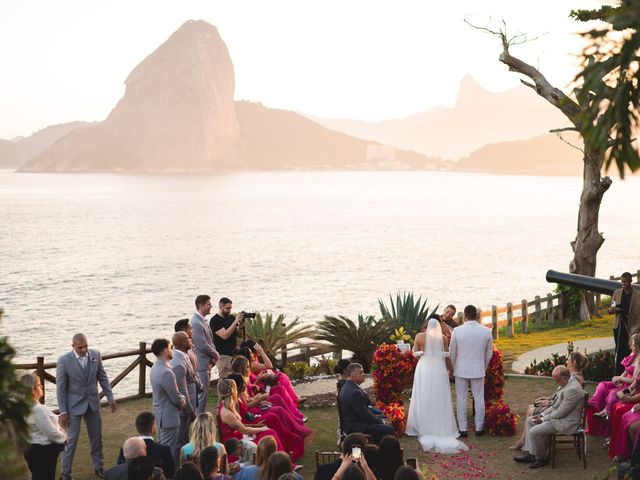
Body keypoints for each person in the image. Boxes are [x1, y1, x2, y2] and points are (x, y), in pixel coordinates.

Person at [56, 333, 116, 480]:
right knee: (71, 441)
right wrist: (63, 411)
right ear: (73, 346)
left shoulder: (95, 355)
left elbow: (102, 376)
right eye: (80, 347)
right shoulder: (64, 361)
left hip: (93, 404)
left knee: (97, 438)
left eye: (86, 346)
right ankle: (65, 473)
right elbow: (61, 388)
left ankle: (98, 467)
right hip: (73, 407)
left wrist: (110, 397)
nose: (84, 350)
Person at [406, 318, 468, 453]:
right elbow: (446, 356)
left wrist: (423, 357)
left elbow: (414, 353)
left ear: (426, 325)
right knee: (439, 395)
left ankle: (422, 424)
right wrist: (450, 370)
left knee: (423, 394)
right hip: (438, 368)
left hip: (424, 366)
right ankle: (440, 424)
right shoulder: (444, 338)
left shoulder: (419, 337)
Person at [512, 350, 588, 450]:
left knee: (531, 411)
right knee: (531, 408)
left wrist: (549, 403)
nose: (566, 361)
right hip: (559, 408)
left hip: (564, 415)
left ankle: (527, 443)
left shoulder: (575, 379)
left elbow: (566, 403)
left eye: (568, 360)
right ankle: (527, 443)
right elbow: (561, 396)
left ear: (573, 363)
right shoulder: (573, 377)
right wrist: (549, 399)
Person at [514, 365, 586, 469]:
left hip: (566, 423)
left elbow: (561, 412)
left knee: (534, 431)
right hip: (558, 418)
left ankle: (541, 459)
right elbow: (555, 406)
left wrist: (542, 419)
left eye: (557, 381)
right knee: (530, 421)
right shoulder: (568, 383)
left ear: (565, 377)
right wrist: (541, 415)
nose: (557, 383)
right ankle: (531, 454)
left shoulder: (573, 389)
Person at [449, 305, 493, 437]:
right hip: (478, 369)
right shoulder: (486, 331)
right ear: (477, 315)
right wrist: (483, 366)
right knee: (479, 398)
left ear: (465, 316)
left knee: (461, 398)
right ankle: (479, 428)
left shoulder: (457, 331)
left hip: (461, 369)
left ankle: (463, 428)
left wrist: (453, 367)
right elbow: (489, 353)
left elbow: (452, 352)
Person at [21, 372, 66, 480]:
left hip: (30, 448)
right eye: (39, 384)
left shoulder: (24, 406)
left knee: (38, 476)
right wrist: (64, 437)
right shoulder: (37, 409)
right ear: (32, 389)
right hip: (43, 450)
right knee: (45, 476)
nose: (41, 386)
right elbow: (51, 433)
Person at [338, 363, 395, 444]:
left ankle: (378, 445)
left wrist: (380, 418)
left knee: (384, 417)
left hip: (356, 420)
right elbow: (365, 415)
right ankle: (379, 450)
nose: (363, 375)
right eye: (360, 373)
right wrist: (382, 422)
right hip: (355, 426)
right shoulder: (354, 392)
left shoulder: (350, 386)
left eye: (363, 372)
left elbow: (365, 409)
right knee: (389, 428)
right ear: (352, 376)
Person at [150, 338, 187, 463]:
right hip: (168, 417)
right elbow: (176, 398)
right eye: (170, 347)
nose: (172, 350)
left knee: (162, 447)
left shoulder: (155, 367)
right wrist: (183, 400)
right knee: (169, 451)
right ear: (165, 350)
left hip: (160, 414)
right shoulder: (166, 372)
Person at [217, 378, 269, 463]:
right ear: (233, 391)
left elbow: (241, 426)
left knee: (268, 431)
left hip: (239, 438)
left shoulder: (227, 405)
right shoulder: (226, 413)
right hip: (235, 445)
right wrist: (262, 429)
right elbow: (244, 430)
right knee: (268, 433)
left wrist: (257, 426)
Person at [116, 412, 175, 478]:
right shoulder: (164, 450)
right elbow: (170, 474)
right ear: (153, 427)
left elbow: (119, 471)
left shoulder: (125, 448)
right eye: (155, 424)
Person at [190, 295, 219, 415]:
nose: (211, 306)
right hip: (201, 364)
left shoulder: (202, 321)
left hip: (206, 363)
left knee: (204, 394)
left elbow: (210, 342)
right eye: (208, 304)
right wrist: (216, 354)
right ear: (201, 306)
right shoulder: (196, 323)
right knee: (202, 394)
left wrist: (212, 358)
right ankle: (199, 421)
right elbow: (203, 345)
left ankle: (200, 419)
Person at [611, 273, 640, 375]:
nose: (624, 284)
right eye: (622, 281)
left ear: (631, 281)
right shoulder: (617, 293)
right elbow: (612, 307)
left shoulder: (637, 294)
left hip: (631, 327)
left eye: (626, 281)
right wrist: (614, 309)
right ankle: (618, 373)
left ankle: (629, 373)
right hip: (618, 326)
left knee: (630, 350)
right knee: (619, 350)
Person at [210, 297, 245, 379]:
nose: (229, 310)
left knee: (235, 379)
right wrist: (235, 322)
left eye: (230, 308)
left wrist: (240, 325)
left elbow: (239, 335)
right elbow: (224, 336)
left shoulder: (231, 318)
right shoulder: (215, 320)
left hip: (234, 354)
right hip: (222, 355)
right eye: (227, 308)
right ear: (221, 307)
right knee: (224, 379)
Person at [172, 331, 197, 445]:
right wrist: (190, 411)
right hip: (184, 409)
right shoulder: (178, 362)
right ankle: (179, 461)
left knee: (185, 435)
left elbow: (192, 376)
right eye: (187, 339)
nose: (190, 339)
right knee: (180, 439)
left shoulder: (185, 355)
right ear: (182, 343)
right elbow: (182, 390)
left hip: (190, 402)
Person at [175, 318, 204, 402]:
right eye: (190, 329)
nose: (192, 331)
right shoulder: (182, 351)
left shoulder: (188, 347)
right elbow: (192, 373)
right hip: (189, 391)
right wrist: (200, 386)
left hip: (194, 389)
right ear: (184, 331)